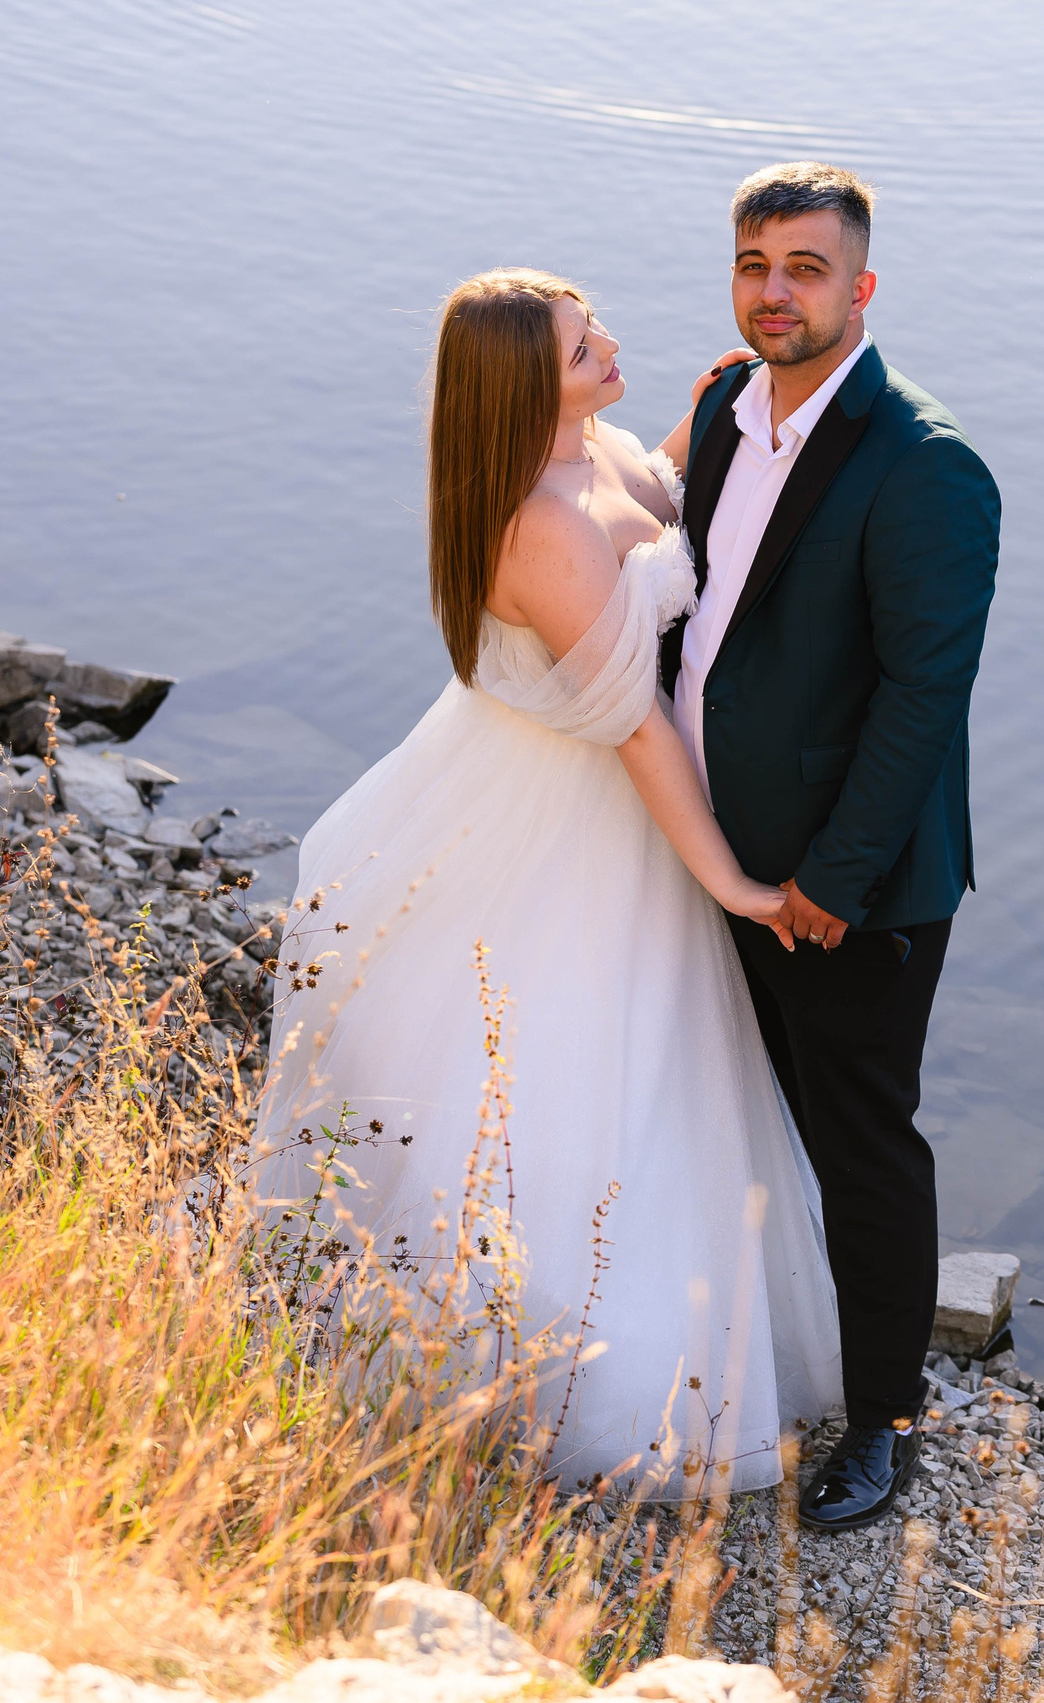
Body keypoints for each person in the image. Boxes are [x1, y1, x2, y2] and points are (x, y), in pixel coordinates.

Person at [256, 267, 838, 1497]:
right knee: (575, 1068)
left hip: (591, 792)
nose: (608, 346)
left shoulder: (601, 447)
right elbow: (633, 727)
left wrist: (716, 410)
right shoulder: (536, 527)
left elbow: (663, 496)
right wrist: (730, 881)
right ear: (527, 387)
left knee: (657, 1066)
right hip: (568, 811)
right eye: (583, 348)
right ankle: (592, 1386)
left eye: (595, 328)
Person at [665, 162, 1002, 1531]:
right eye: (755, 262)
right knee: (752, 1108)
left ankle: (887, 1422)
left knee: (863, 1140)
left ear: (860, 288)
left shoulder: (925, 463)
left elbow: (928, 694)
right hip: (718, 862)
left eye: (805, 267)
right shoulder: (716, 409)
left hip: (844, 885)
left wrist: (829, 885)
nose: (775, 290)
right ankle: (780, 1348)